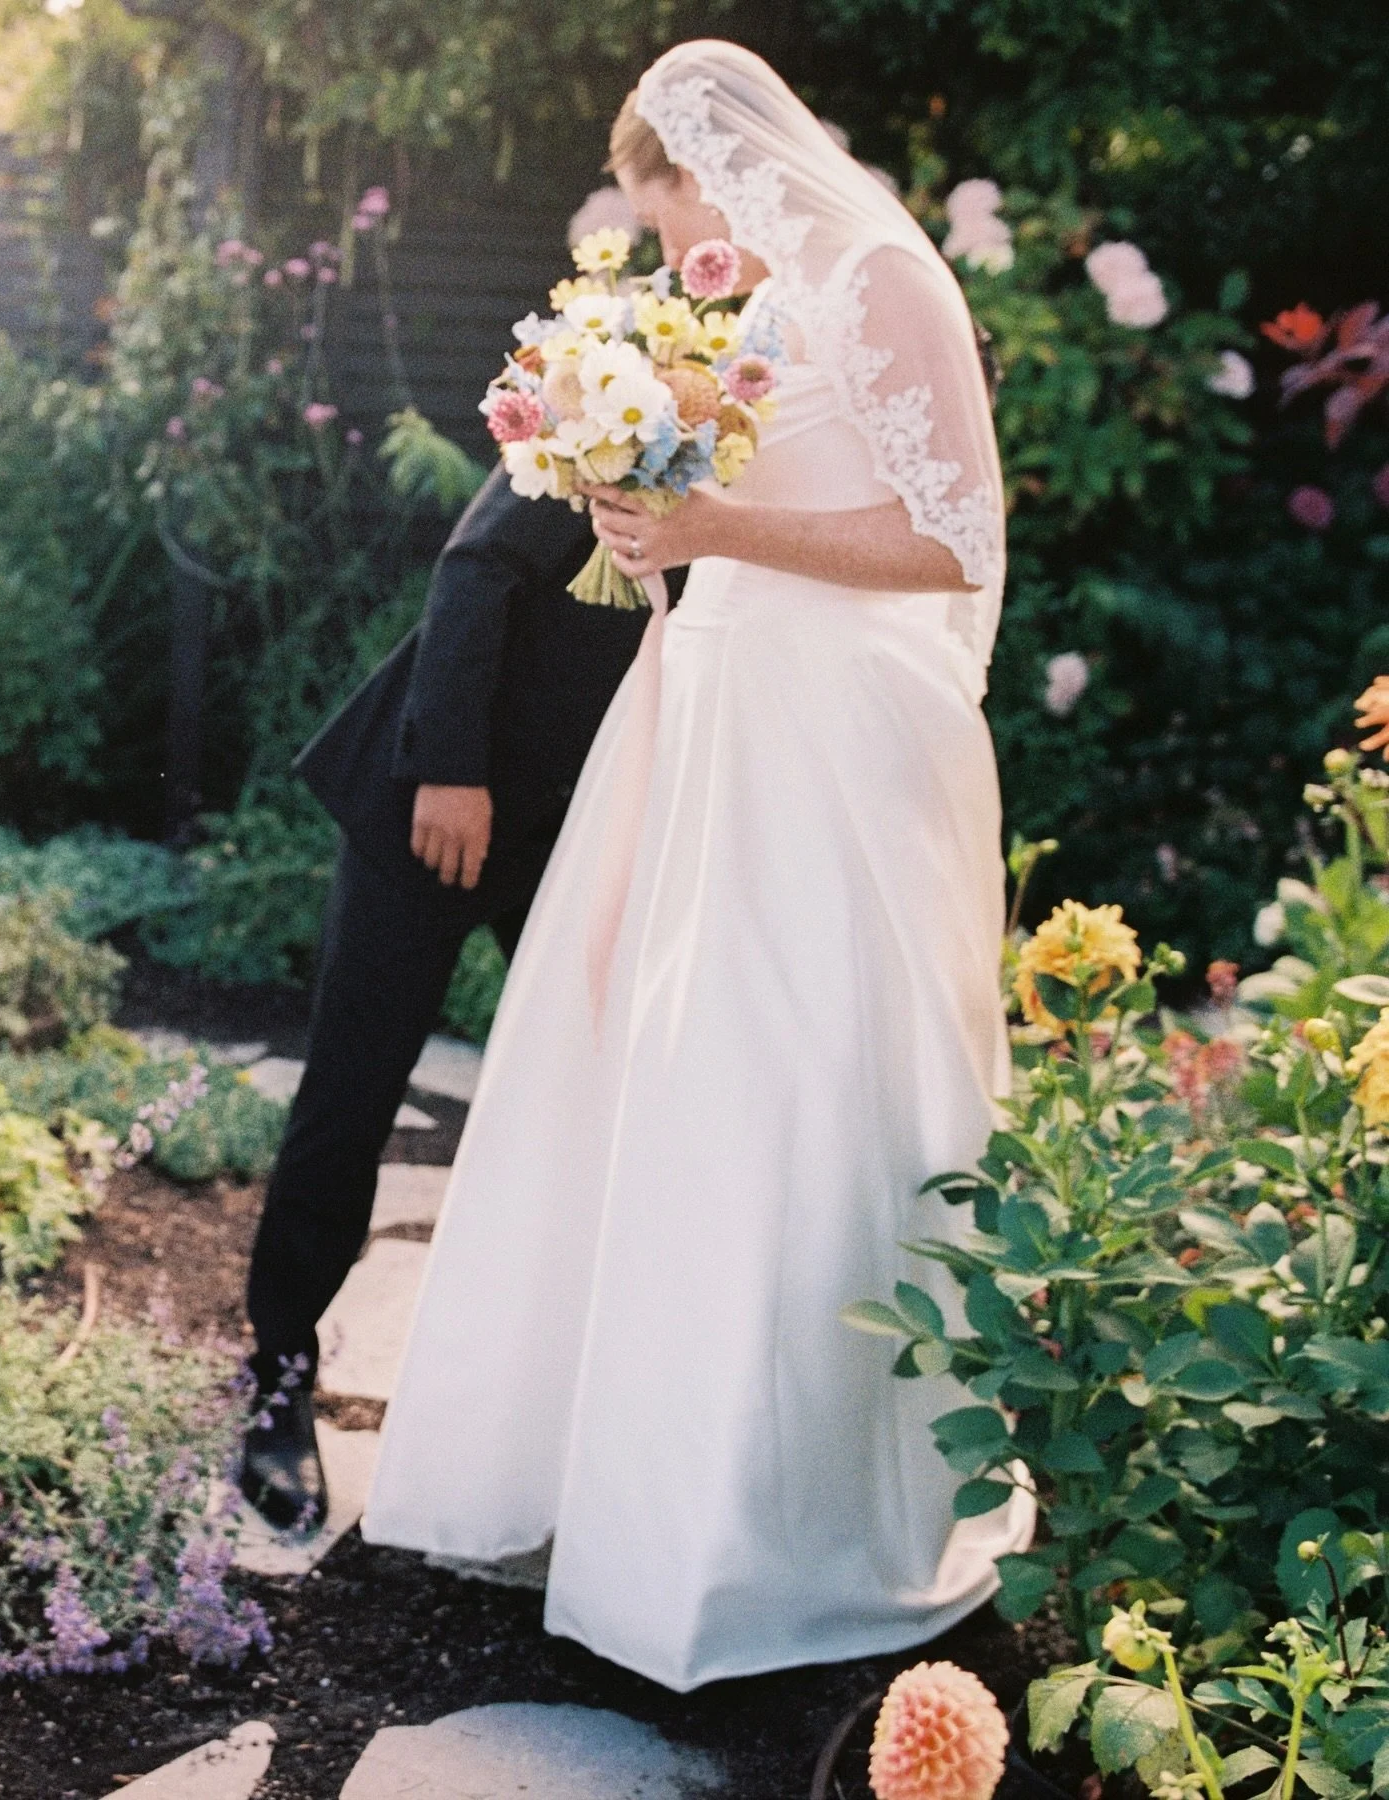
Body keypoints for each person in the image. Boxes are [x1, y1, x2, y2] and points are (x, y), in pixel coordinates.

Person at [362, 40, 1035, 1689]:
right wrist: (649, 516)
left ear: (705, 166)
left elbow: (951, 537)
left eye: (663, 216)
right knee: (682, 1089)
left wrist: (716, 529)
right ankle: (645, 1501)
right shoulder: (775, 299)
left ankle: (783, 1525)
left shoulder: (882, 275)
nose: (668, 256)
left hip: (836, 748)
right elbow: (771, 493)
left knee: (805, 1089)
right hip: (723, 713)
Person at [240, 467, 649, 1527]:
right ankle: (279, 1380)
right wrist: (452, 769)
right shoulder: (633, 370)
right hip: (438, 797)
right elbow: (477, 563)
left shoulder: (783, 438)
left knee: (610, 1094)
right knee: (351, 1093)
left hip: (581, 833)